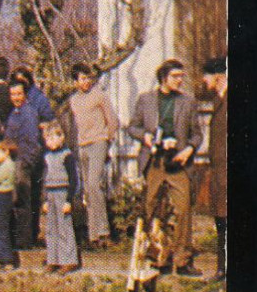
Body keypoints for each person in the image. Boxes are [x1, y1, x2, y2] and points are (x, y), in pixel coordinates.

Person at [125, 59, 203, 276]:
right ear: (163, 78)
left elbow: (197, 134)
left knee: (183, 209)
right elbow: (132, 127)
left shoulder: (188, 102)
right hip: (155, 162)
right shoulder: (146, 100)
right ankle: (160, 257)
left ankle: (183, 260)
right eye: (176, 76)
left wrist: (189, 149)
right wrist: (146, 137)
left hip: (179, 164)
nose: (180, 80)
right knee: (153, 209)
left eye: (182, 76)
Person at [64, 62, 119, 247]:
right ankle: (93, 234)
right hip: (83, 145)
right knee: (87, 189)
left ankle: (104, 232)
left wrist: (107, 139)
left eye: (88, 78)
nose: (86, 82)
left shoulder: (99, 96)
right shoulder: (73, 100)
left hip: (98, 142)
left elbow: (113, 121)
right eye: (82, 79)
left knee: (95, 185)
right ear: (75, 81)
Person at [4, 79, 46, 249]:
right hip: (13, 161)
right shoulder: (14, 112)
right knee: (15, 201)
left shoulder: (28, 113)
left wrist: (25, 162)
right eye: (13, 94)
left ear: (25, 94)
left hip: (22, 162)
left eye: (19, 94)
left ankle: (24, 240)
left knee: (22, 201)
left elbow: (32, 142)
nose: (16, 97)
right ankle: (16, 238)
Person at [41, 123, 82, 273]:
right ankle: (53, 259)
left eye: (53, 138)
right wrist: (44, 199)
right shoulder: (47, 156)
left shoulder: (67, 156)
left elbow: (74, 180)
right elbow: (45, 178)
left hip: (63, 193)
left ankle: (69, 260)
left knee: (64, 227)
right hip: (50, 194)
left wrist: (68, 200)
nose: (49, 142)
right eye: (47, 139)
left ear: (61, 138)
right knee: (51, 228)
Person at [200, 56, 226, 279]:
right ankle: (222, 268)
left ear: (219, 76)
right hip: (219, 172)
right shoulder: (219, 99)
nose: (202, 79)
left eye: (206, 75)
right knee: (221, 219)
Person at [0, 139, 20, 269]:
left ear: (6, 152)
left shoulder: (6, 166)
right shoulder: (8, 165)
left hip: (3, 197)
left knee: (0, 228)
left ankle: (5, 259)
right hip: (2, 197)